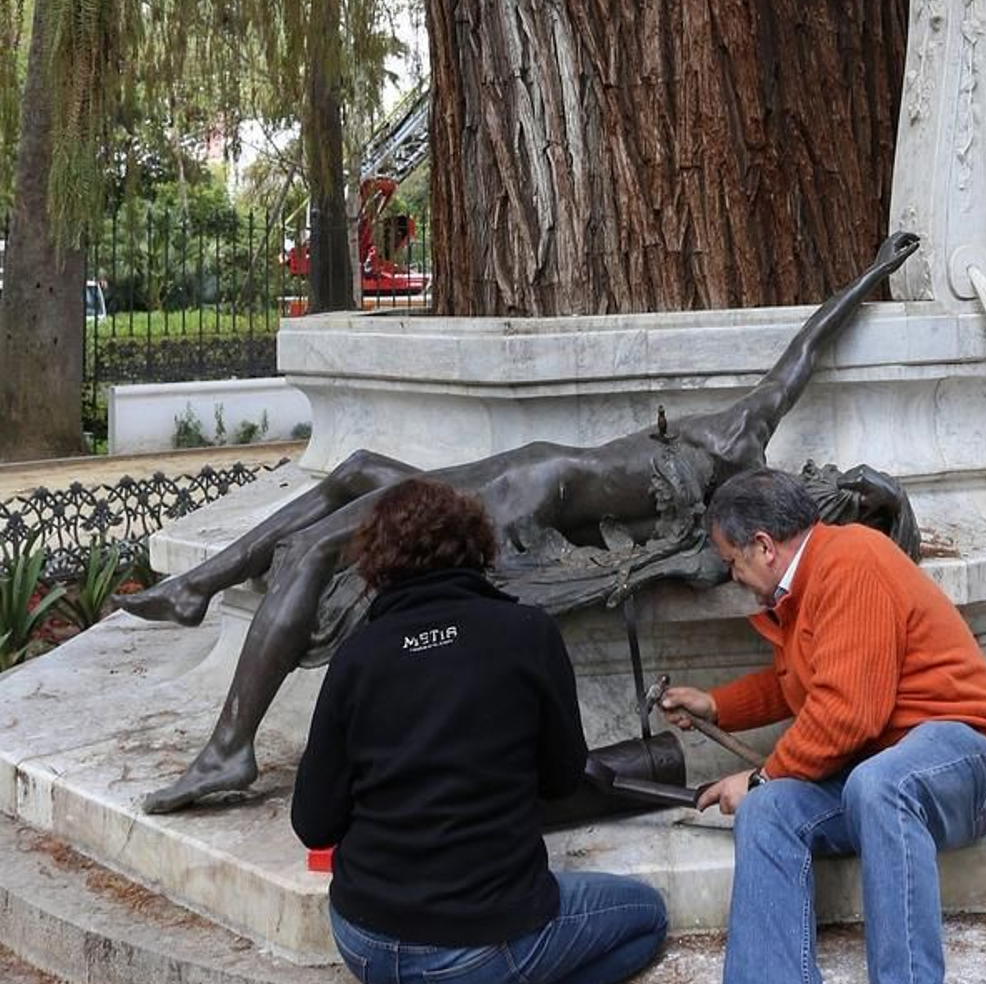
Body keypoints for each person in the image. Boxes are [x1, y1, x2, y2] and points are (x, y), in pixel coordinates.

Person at [128, 228, 918, 813]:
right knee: (357, 468)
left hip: (523, 495)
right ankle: (203, 582)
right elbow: (804, 349)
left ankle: (229, 749)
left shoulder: (738, 472)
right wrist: (871, 274)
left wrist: (871, 280)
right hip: (525, 475)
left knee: (317, 547)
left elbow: (801, 358)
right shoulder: (740, 433)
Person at [661, 467, 986, 984]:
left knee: (873, 784)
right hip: (884, 771)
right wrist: (717, 705)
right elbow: (798, 683)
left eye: (733, 561)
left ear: (764, 545)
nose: (733, 576)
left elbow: (849, 713)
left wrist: (762, 771)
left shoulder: (850, 558)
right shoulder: (804, 586)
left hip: (971, 757)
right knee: (769, 814)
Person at [290, 476, 667, 984]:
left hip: (364, 940)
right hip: (480, 948)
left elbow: (313, 822)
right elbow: (559, 779)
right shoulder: (526, 633)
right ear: (476, 544)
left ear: (376, 561)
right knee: (646, 918)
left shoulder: (356, 658)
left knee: (418, 941)